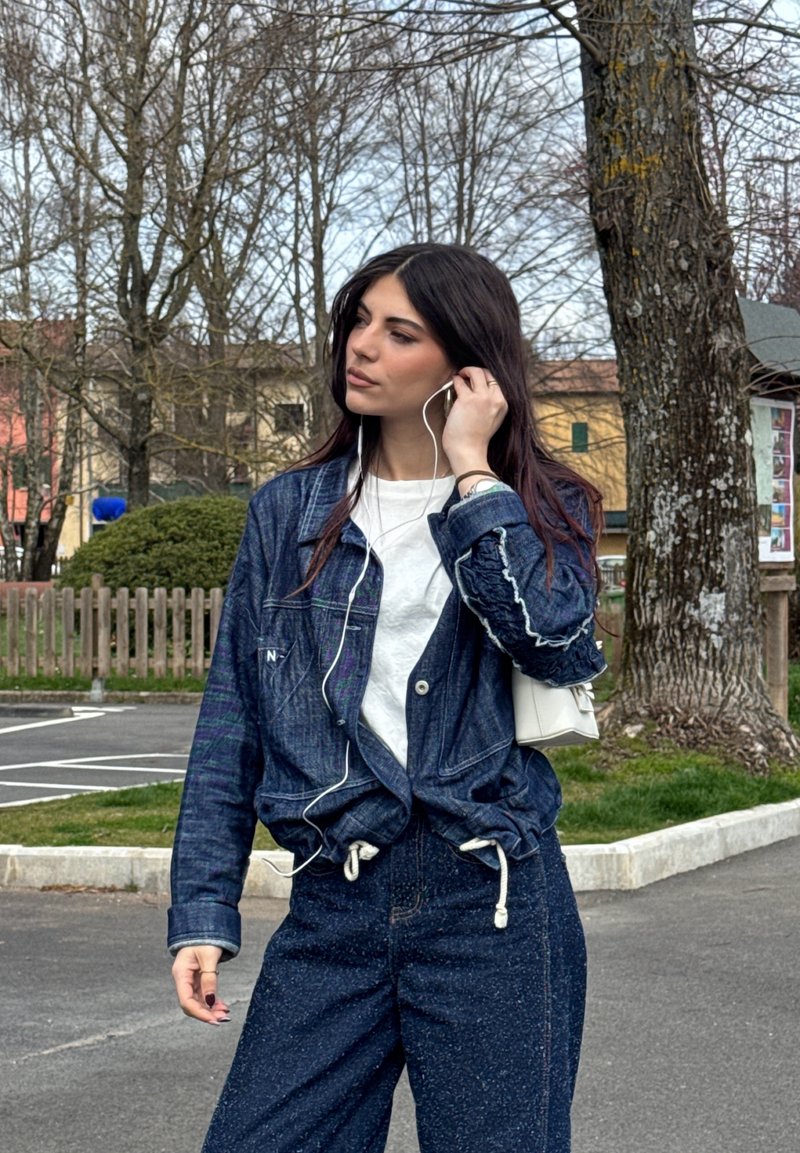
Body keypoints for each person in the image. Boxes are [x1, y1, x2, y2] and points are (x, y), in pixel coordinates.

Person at [168, 242, 605, 1153]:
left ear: (467, 363)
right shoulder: (290, 511)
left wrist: (475, 473)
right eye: (357, 322)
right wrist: (202, 913)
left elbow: (555, 642)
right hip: (338, 899)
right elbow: (232, 719)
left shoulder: (539, 502)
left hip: (490, 904)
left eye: (398, 331)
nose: (360, 346)